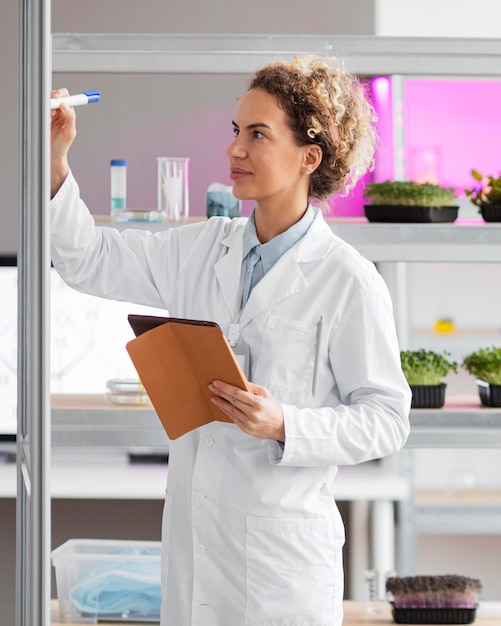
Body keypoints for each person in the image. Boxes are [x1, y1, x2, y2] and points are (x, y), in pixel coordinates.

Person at [50, 55, 411, 626]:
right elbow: (85, 260)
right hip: (196, 560)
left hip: (282, 574)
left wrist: (285, 423)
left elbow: (387, 419)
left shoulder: (347, 280)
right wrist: (56, 162)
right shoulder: (198, 249)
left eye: (258, 134)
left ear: (308, 158)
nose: (235, 150)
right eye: (236, 131)